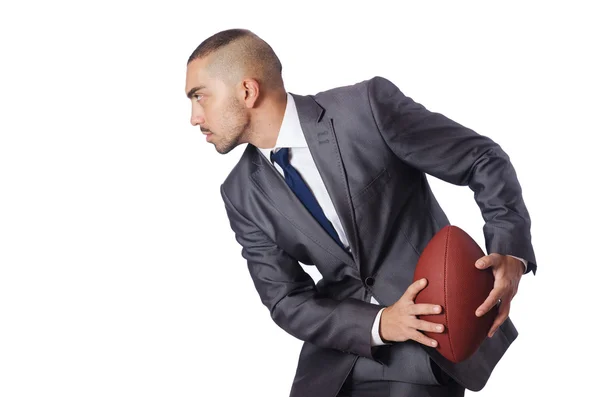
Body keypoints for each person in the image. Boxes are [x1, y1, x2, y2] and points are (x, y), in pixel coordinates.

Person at [184, 28, 537, 397]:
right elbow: (285, 299)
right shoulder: (240, 192)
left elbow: (481, 159)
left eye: (199, 97)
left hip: (432, 339)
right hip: (337, 356)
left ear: (247, 90)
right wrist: (381, 323)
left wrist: (510, 250)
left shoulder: (364, 109)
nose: (194, 117)